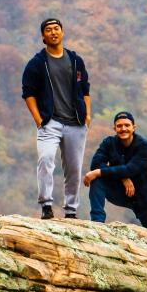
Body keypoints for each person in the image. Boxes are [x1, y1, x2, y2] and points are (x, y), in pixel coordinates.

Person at [21, 17, 91, 219]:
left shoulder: (76, 60)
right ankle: (46, 206)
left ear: (62, 32)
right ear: (43, 37)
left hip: (76, 122)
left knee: (74, 168)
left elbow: (85, 88)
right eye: (49, 30)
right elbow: (28, 93)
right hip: (49, 122)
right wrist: (38, 119)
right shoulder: (37, 63)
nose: (53, 32)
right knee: (45, 159)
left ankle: (71, 210)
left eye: (56, 28)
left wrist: (87, 115)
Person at [83, 111, 147, 235]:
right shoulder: (109, 143)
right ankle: (97, 222)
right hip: (120, 191)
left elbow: (131, 169)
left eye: (127, 125)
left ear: (133, 128)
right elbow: (96, 163)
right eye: (119, 126)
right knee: (97, 179)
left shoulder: (145, 146)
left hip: (144, 198)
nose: (123, 129)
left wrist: (101, 171)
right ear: (114, 128)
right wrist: (123, 178)